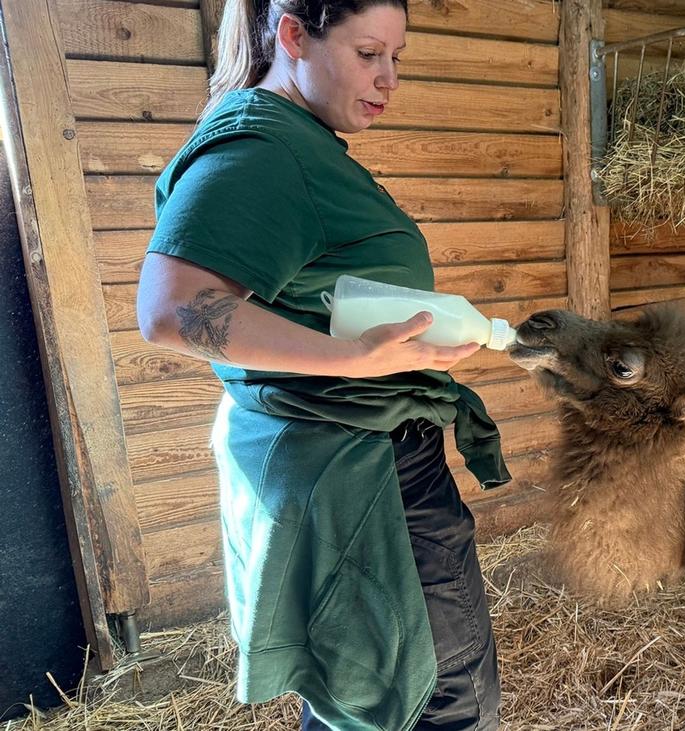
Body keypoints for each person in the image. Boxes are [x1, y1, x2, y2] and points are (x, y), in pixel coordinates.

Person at [134, 0, 510, 728]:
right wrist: (353, 358)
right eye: (369, 53)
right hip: (371, 478)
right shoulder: (264, 149)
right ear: (294, 35)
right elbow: (170, 307)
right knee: (442, 702)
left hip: (350, 463)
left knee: (365, 698)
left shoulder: (292, 138)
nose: (389, 78)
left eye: (398, 57)